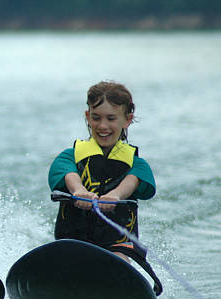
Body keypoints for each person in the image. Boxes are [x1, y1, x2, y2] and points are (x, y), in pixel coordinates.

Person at [48, 81, 156, 260]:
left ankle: (116, 278)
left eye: (111, 118)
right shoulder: (69, 157)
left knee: (119, 257)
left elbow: (132, 180)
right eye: (96, 117)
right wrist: (79, 190)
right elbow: (68, 173)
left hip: (118, 247)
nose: (103, 126)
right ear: (88, 117)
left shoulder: (137, 165)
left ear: (127, 120)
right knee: (68, 256)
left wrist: (115, 196)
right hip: (72, 244)